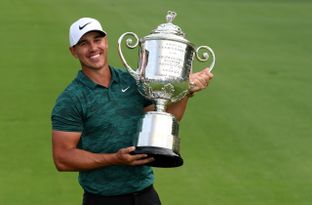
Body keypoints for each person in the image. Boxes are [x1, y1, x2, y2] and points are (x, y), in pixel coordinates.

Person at [51, 17, 213, 205]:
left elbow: (166, 118)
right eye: (83, 43)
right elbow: (62, 159)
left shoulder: (131, 81)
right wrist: (115, 159)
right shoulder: (71, 99)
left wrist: (186, 91)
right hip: (103, 199)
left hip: (145, 195)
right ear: (74, 51)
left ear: (106, 42)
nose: (93, 48)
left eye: (97, 40)